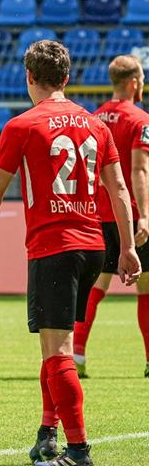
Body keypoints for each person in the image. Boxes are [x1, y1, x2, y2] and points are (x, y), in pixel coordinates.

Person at [0, 40, 141, 466]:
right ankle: (47, 433)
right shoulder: (94, 124)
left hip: (53, 247)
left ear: (29, 78)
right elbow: (118, 188)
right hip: (93, 245)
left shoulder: (22, 126)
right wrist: (129, 247)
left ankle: (78, 450)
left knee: (58, 350)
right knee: (52, 345)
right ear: (66, 77)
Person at [73, 55, 149, 379]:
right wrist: (143, 215)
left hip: (98, 214)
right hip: (128, 212)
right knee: (145, 286)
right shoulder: (140, 119)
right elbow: (138, 169)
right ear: (134, 82)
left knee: (95, 285)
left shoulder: (94, 118)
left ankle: (76, 354)